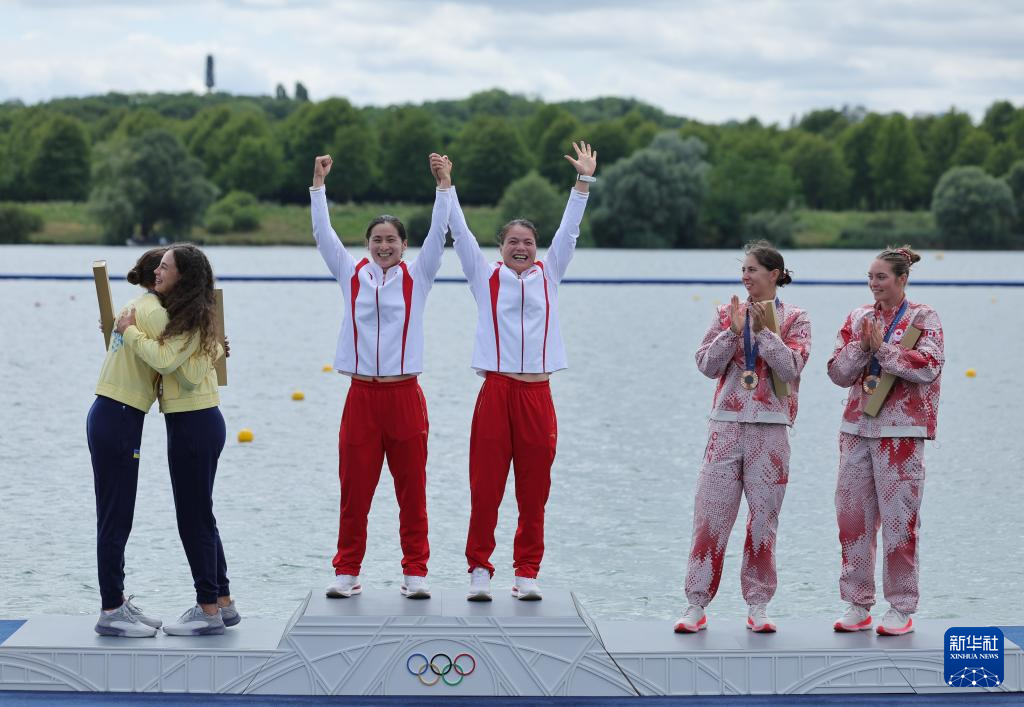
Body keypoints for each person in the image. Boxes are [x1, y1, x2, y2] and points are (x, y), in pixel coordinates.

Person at [448, 141, 597, 602]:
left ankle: (527, 572)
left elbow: (569, 232)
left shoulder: (549, 274)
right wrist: (446, 187)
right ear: (501, 248)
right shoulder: (483, 276)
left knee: (534, 492)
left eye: (528, 242)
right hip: (496, 393)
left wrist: (583, 182)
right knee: (486, 488)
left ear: (537, 249)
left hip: (537, 396)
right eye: (513, 241)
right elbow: (460, 233)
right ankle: (479, 569)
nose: (521, 247)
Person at [311, 152, 452, 600]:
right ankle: (347, 572)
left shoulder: (419, 275)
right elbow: (323, 235)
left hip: (404, 397)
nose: (384, 245)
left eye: (391, 239)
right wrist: (318, 186)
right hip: (361, 399)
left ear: (404, 245)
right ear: (367, 244)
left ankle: (415, 572)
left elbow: (439, 233)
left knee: (412, 491)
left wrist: (443, 186)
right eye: (377, 239)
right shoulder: (350, 273)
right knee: (355, 492)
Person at [674, 241, 811, 634]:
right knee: (710, 517)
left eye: (752, 269)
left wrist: (764, 332)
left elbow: (791, 368)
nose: (745, 277)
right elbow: (705, 365)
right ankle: (696, 605)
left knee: (764, 521)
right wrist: (732, 333)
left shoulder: (796, 318)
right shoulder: (725, 313)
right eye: (743, 270)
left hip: (771, 429)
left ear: (774, 274)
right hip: (726, 427)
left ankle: (758, 605)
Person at [114, 244, 235, 636]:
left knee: (193, 519)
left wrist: (129, 332)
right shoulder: (186, 316)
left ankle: (207, 609)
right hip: (193, 423)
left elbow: (173, 367)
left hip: (194, 425)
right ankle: (223, 602)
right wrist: (210, 350)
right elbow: (181, 361)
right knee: (201, 515)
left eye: (165, 267)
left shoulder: (190, 318)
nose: (157, 272)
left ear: (183, 276)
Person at [827, 245, 943, 636]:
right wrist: (862, 348)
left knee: (899, 522)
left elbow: (928, 367)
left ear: (902, 279)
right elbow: (837, 373)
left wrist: (883, 350)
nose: (874, 284)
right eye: (870, 277)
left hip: (902, 432)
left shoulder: (923, 317)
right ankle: (858, 603)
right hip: (856, 429)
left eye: (881, 277)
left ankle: (901, 607)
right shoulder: (858, 317)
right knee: (852, 519)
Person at [88, 248, 169, 637]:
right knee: (115, 516)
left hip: (112, 413)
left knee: (117, 514)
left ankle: (117, 600)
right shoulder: (155, 313)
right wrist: (214, 350)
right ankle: (110, 610)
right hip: (118, 416)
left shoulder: (135, 306)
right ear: (159, 277)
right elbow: (176, 363)